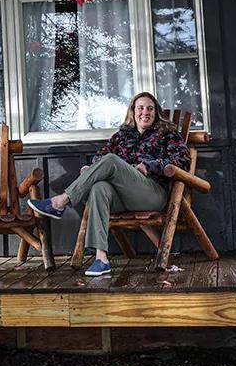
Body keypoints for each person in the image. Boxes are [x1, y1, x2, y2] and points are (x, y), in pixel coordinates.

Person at [27, 91, 189, 278]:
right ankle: (101, 258)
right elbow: (100, 156)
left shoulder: (166, 134)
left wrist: (150, 166)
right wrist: (93, 168)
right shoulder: (122, 136)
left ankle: (61, 201)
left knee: (111, 160)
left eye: (150, 108)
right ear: (133, 112)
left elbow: (181, 160)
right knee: (99, 188)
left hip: (152, 192)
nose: (145, 112)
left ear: (156, 112)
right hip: (124, 196)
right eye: (141, 108)